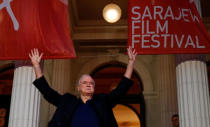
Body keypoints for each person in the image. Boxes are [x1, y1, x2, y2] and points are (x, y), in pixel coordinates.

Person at [29, 46, 137, 127]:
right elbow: (48, 92)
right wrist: (37, 66)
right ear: (78, 88)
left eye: (91, 83)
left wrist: (131, 63)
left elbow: (121, 89)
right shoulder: (67, 101)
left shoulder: (103, 101)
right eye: (85, 83)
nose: (88, 84)